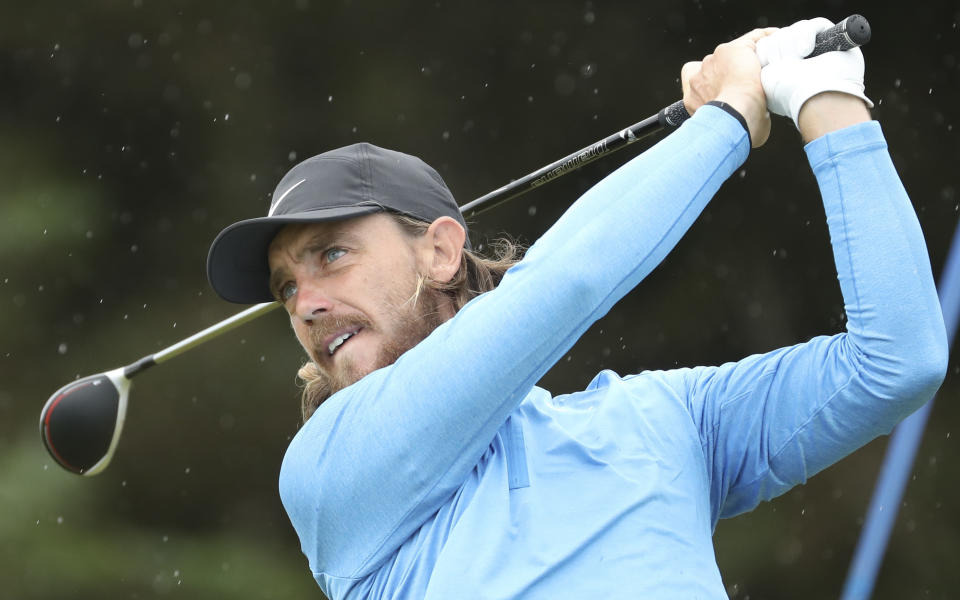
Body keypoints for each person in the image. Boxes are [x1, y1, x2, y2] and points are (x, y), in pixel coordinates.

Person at [205, 19, 947, 600]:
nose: (305, 303)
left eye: (332, 254)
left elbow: (895, 361)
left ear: (439, 252)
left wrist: (827, 97)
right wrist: (728, 117)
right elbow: (567, 285)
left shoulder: (664, 420)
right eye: (285, 289)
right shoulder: (330, 470)